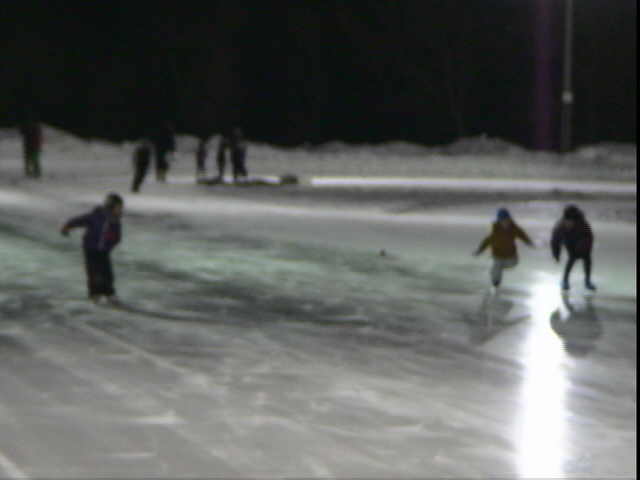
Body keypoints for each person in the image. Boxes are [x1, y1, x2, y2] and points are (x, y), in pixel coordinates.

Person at [61, 193, 124, 304]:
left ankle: (109, 293)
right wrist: (68, 225)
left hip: (104, 250)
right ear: (111, 207)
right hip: (91, 249)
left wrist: (112, 240)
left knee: (107, 273)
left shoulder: (115, 221)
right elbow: (81, 220)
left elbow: (117, 237)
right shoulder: (96, 216)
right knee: (93, 272)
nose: (120, 211)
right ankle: (95, 293)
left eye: (121, 208)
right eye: (118, 208)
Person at [473, 207, 534, 288]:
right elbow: (486, 241)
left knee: (500, 266)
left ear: (509, 220)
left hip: (511, 258)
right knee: (496, 265)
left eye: (506, 220)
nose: (505, 223)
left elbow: (522, 235)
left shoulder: (514, 229)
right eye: (502, 221)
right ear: (498, 222)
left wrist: (529, 243)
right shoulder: (494, 232)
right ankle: (496, 283)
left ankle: (495, 271)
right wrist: (479, 250)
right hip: (498, 257)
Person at [551, 204, 596, 291]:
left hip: (583, 243)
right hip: (570, 242)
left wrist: (585, 247)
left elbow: (589, 237)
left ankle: (587, 281)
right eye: (568, 220)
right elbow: (555, 242)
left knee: (587, 259)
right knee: (572, 258)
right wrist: (556, 255)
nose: (569, 222)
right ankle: (565, 280)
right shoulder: (561, 226)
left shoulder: (582, 224)